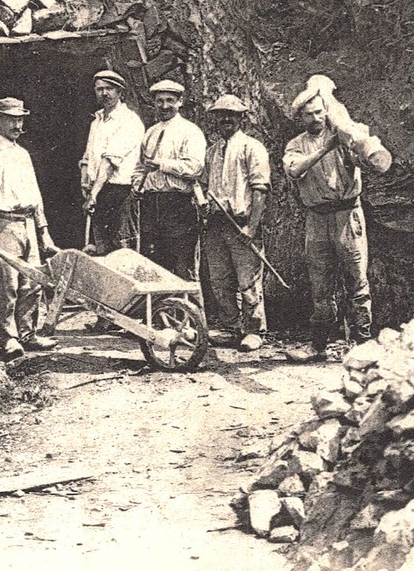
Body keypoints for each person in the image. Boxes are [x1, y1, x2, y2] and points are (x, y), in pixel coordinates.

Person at [283, 75, 392, 361]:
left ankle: (363, 343)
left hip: (347, 215)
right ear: (301, 118)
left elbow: (372, 161)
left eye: (320, 112)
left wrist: (359, 142)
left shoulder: (343, 135)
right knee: (320, 285)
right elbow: (294, 170)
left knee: (357, 280)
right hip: (317, 219)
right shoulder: (296, 144)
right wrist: (324, 148)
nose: (316, 118)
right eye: (309, 114)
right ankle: (318, 344)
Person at [0, 97, 58, 360]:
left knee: (32, 282)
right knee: (7, 284)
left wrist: (44, 231)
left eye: (20, 119)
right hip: (5, 223)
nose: (16, 124)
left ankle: (28, 334)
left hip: (29, 223)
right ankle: (7, 339)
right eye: (11, 119)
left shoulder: (23, 154)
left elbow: (35, 195)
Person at [197, 94, 271, 351]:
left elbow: (260, 189)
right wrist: (203, 203)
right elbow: (203, 185)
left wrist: (251, 226)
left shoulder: (253, 148)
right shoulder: (212, 152)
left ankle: (254, 330)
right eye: (221, 115)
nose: (226, 119)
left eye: (231, 115)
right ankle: (230, 327)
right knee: (220, 280)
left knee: (247, 280)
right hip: (216, 224)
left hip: (241, 223)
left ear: (241, 118)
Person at [133, 78, 206, 279]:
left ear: (179, 102)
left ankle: (186, 310)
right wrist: (137, 184)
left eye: (170, 100)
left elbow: (195, 168)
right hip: (150, 205)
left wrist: (161, 164)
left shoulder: (190, 132)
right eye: (159, 101)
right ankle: (161, 311)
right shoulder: (150, 133)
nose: (164, 106)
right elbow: (140, 166)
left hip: (177, 205)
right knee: (153, 265)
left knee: (183, 265)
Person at [79, 69, 145, 255]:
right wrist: (84, 183)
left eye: (109, 89)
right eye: (100, 89)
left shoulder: (128, 120)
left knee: (122, 249)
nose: (104, 93)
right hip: (99, 190)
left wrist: (93, 194)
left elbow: (109, 162)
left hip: (121, 192)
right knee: (100, 247)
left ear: (120, 92)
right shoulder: (97, 121)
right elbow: (88, 156)